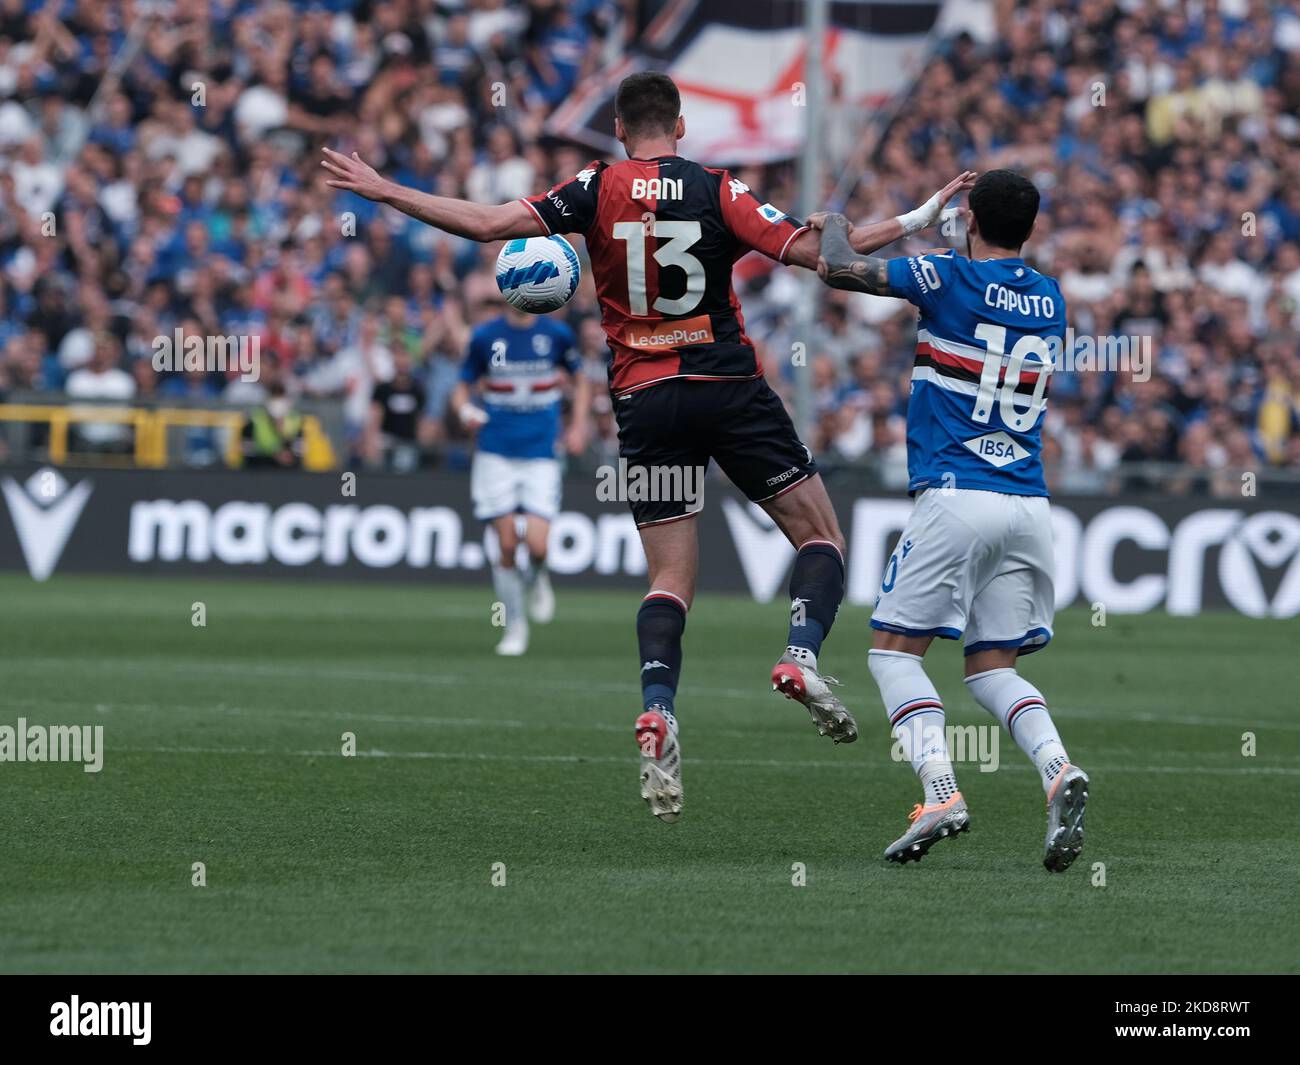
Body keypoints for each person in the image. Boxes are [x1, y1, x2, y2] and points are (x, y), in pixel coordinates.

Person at [321, 72, 972, 822]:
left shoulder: (594, 187)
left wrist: (384, 190)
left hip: (645, 400)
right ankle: (799, 653)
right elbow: (820, 253)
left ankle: (659, 708)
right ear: (681, 125)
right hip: (728, 386)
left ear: (622, 129)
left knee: (669, 576)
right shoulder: (717, 187)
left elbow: (488, 224)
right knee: (820, 533)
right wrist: (916, 218)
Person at [814, 169, 1089, 871]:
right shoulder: (1051, 299)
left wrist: (880, 216)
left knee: (891, 652)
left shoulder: (947, 277)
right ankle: (1057, 767)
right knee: (992, 666)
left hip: (956, 494)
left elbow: (836, 265)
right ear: (1030, 228)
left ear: (967, 216)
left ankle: (941, 791)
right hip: (1028, 502)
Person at [449, 300, 590, 656]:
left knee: (539, 546)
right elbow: (461, 385)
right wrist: (466, 411)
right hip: (495, 450)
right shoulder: (485, 336)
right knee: (508, 545)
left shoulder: (557, 334)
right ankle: (514, 625)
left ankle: (539, 577)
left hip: (541, 452)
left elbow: (582, 381)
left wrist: (577, 426)